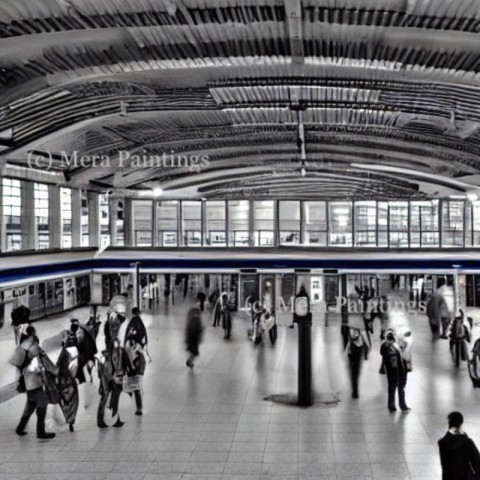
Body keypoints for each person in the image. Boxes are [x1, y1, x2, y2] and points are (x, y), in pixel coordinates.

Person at [15, 326, 56, 439]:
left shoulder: (24, 346)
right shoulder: (33, 348)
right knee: (42, 405)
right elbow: (36, 366)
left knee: (30, 405)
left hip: (28, 382)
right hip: (34, 382)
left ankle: (20, 428)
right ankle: (41, 432)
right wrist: (45, 371)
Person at [439, 411, 480, 480]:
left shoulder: (443, 443)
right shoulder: (467, 442)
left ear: (449, 423)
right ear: (461, 423)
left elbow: (445, 468)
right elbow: (477, 462)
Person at [380, 329, 409, 412]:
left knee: (400, 386)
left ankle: (401, 405)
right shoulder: (386, 345)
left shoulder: (396, 344)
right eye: (389, 335)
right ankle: (392, 405)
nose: (391, 337)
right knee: (393, 387)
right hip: (392, 369)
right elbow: (383, 353)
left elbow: (402, 352)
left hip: (399, 368)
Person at [123, 336, 146, 415]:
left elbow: (142, 364)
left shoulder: (139, 354)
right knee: (129, 391)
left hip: (136, 374)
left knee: (136, 391)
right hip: (130, 374)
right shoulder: (126, 352)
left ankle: (139, 408)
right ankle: (126, 406)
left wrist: (138, 372)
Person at [345, 326, 370, 399]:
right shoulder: (360, 325)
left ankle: (354, 390)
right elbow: (367, 343)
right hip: (358, 348)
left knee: (353, 370)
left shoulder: (349, 326)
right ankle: (355, 391)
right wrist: (368, 348)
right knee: (356, 370)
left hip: (351, 349)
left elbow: (348, 339)